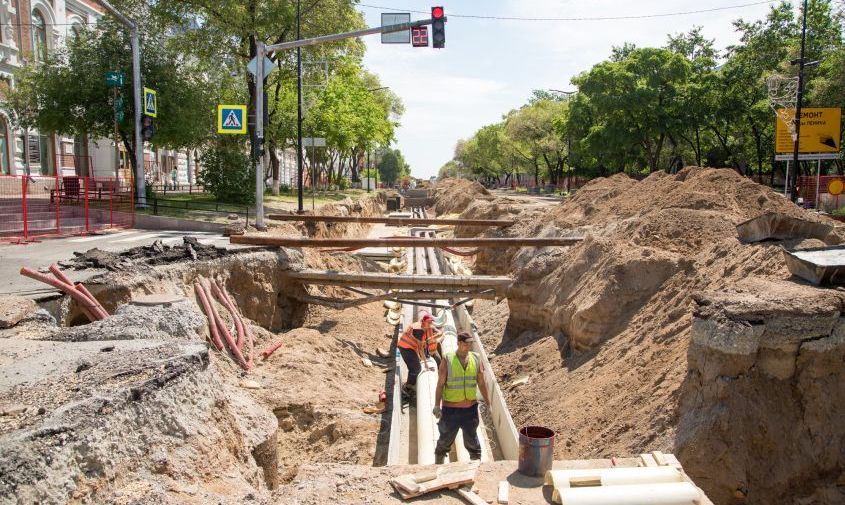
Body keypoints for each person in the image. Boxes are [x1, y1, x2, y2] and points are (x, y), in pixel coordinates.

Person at [432, 332, 491, 464]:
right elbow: (440, 385)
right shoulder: (447, 359)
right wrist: (437, 405)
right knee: (445, 438)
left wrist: (488, 402)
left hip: (470, 410)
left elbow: (481, 382)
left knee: (472, 439)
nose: (468, 346)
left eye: (470, 343)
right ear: (458, 343)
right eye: (465, 343)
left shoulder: (475, 358)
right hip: (450, 411)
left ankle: (475, 465)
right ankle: (438, 463)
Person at [398, 313, 444, 397]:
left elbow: (440, 332)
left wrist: (432, 338)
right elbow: (420, 348)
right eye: (428, 322)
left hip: (412, 347)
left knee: (419, 365)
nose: (430, 324)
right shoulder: (418, 330)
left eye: (431, 322)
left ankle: (412, 385)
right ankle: (407, 388)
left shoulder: (428, 327)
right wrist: (426, 364)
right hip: (406, 347)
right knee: (416, 368)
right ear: (423, 321)